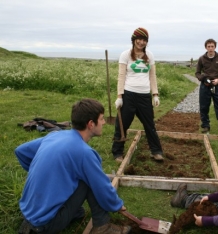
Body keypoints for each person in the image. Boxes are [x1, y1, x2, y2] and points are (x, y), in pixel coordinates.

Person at [16, 98, 131, 234]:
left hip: (28, 214)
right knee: (90, 180)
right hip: (45, 224)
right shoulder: (84, 153)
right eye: (101, 119)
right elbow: (101, 186)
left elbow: (21, 151)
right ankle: (102, 227)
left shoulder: (55, 136)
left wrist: (46, 175)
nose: (104, 122)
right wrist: (117, 205)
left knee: (81, 175)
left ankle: (73, 212)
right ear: (90, 124)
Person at [112, 27, 164, 162]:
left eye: (144, 40)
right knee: (122, 124)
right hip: (129, 95)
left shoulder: (150, 56)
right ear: (134, 40)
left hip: (144, 96)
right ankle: (117, 153)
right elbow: (121, 76)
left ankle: (156, 151)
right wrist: (119, 96)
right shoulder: (126, 55)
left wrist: (155, 94)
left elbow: (152, 76)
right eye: (139, 39)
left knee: (149, 124)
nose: (141, 42)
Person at [195, 38, 218, 134]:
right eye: (208, 46)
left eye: (212, 46)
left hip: (217, 85)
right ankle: (205, 126)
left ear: (215, 47)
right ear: (206, 47)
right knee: (204, 106)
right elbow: (197, 73)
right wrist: (202, 78)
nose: (210, 48)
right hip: (205, 85)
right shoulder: (201, 59)